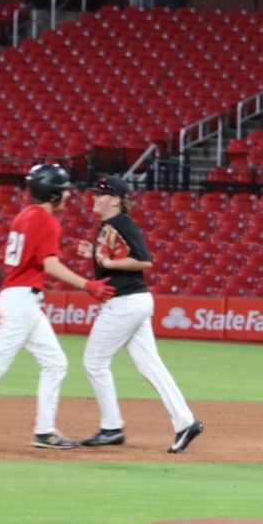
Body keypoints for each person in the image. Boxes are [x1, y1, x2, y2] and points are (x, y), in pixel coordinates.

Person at [0, 163, 115, 448]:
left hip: (20, 299)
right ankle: (44, 431)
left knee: (55, 363)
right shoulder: (46, 220)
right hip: (21, 300)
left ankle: (44, 431)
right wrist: (87, 285)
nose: (68, 195)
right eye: (64, 190)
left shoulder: (24, 216)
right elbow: (50, 264)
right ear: (52, 193)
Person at [74, 175, 204, 454]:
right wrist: (94, 255)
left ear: (116, 200)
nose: (94, 197)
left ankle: (111, 428)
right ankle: (186, 422)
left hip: (126, 303)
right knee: (150, 365)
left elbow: (144, 259)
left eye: (101, 193)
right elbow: (112, 260)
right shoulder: (108, 225)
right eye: (94, 192)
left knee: (94, 361)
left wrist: (106, 260)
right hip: (134, 301)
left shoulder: (122, 223)